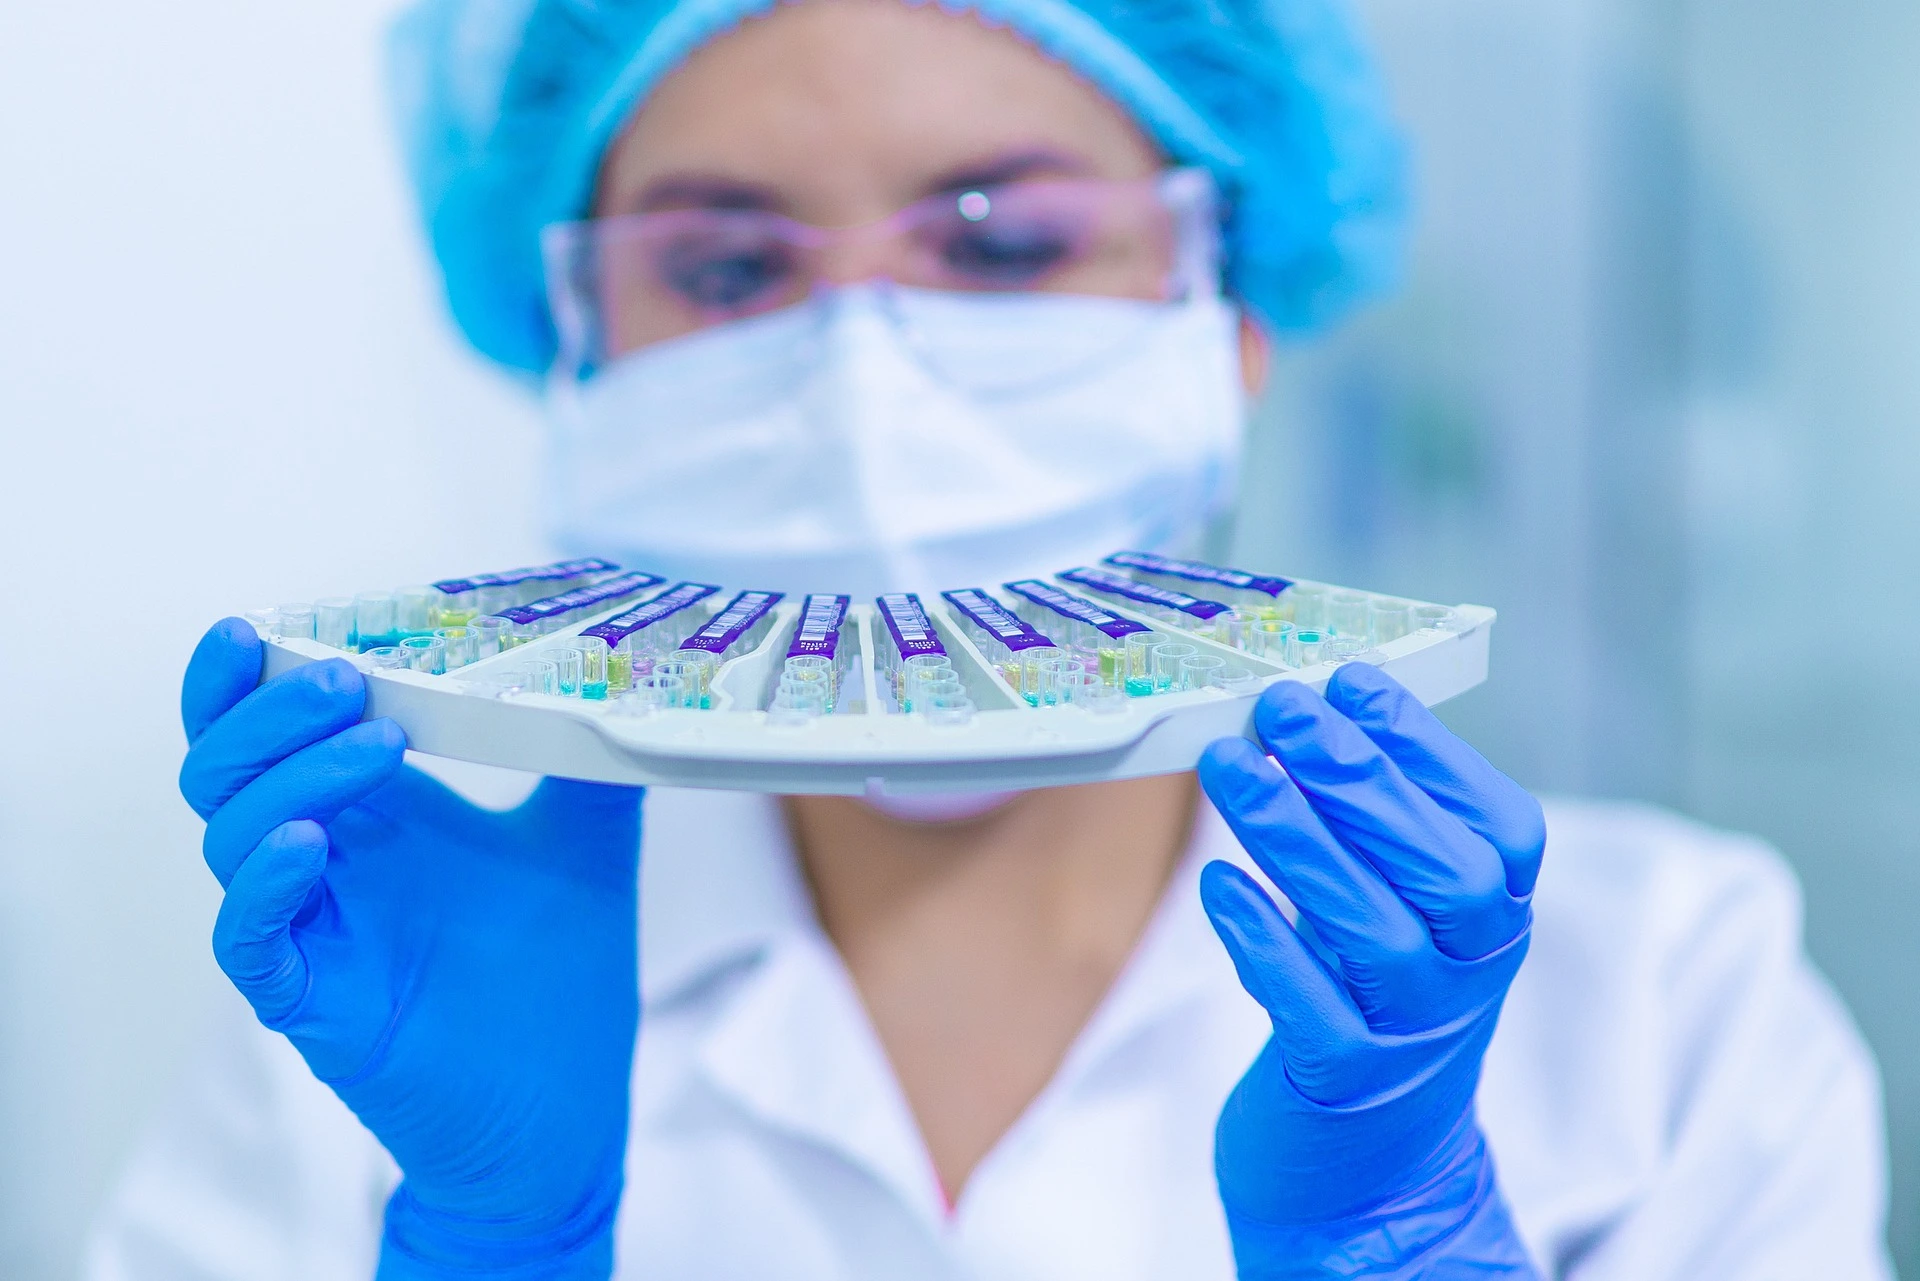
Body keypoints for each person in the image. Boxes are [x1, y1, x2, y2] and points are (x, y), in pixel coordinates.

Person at [88, 0, 1893, 1276]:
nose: (866, 386)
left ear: (1232, 315)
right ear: (578, 349)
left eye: (1008, 244)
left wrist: (1402, 1252)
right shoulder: (369, 1035)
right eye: (727, 272)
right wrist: (489, 1247)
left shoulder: (1668, 1001)